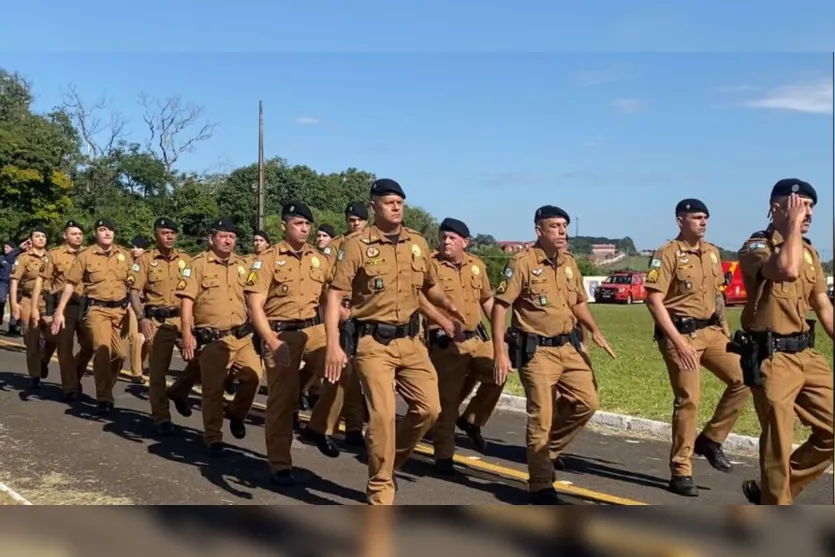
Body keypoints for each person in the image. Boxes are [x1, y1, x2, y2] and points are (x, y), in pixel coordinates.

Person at [324, 178, 465, 505]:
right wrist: (333, 343)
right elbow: (334, 295)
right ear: (373, 206)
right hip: (373, 343)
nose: (397, 206)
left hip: (412, 341)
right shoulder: (357, 245)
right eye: (389, 201)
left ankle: (389, 463)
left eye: (400, 201)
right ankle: (380, 492)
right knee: (383, 418)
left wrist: (448, 305)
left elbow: (429, 286)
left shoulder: (416, 242)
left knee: (430, 409)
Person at [491, 205, 615, 504]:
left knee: (587, 402)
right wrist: (500, 351)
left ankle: (547, 452)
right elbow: (500, 306)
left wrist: (594, 331)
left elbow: (577, 302)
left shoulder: (569, 262)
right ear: (539, 230)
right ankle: (541, 485)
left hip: (568, 347)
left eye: (564, 226)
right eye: (555, 226)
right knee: (541, 418)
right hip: (537, 352)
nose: (562, 232)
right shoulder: (521, 262)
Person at [644, 199, 750, 497]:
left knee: (745, 378)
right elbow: (653, 300)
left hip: (711, 332)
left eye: (706, 217)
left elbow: (717, 298)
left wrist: (726, 334)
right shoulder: (667, 254)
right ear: (681, 221)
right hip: (681, 334)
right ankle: (681, 470)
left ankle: (712, 439)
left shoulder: (713, 253)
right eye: (697, 218)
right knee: (688, 399)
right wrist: (678, 343)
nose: (703, 222)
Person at [736, 178, 833, 505]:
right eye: (800, 206)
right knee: (778, 441)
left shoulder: (809, 252)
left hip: (806, 353)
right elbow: (787, 270)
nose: (807, 214)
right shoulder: (755, 247)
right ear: (776, 208)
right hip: (772, 356)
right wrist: (791, 228)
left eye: (811, 207)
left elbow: (823, 305)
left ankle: (772, 494)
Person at [245, 202, 342, 485]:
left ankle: (318, 426)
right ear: (284, 226)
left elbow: (328, 299)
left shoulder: (320, 259)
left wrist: (335, 331)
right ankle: (279, 463)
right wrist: (272, 341)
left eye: (307, 224)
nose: (304, 228)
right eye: (298, 223)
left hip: (314, 330)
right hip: (279, 332)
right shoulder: (268, 260)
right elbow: (254, 305)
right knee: (282, 399)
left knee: (343, 370)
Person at [418, 217, 504, 475]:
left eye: (452, 238)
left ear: (464, 242)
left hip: (477, 339)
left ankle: (471, 421)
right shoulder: (430, 265)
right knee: (447, 401)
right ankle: (444, 457)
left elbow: (488, 300)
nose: (446, 241)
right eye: (443, 236)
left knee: (498, 371)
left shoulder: (476, 266)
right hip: (446, 343)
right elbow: (418, 298)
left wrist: (500, 334)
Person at [173, 219, 262, 456]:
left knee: (253, 376)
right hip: (213, 338)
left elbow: (253, 300)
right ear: (212, 238)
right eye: (223, 236)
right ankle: (213, 436)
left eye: (232, 236)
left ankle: (236, 413)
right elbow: (186, 302)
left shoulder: (243, 265)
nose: (228, 240)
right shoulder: (197, 265)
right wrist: (187, 333)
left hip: (242, 336)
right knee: (213, 390)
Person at [51, 219, 131, 415]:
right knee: (102, 351)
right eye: (103, 230)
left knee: (120, 354)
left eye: (110, 230)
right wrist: (59, 311)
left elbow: (133, 280)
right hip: (97, 310)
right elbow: (70, 284)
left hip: (120, 311)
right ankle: (104, 397)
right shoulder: (86, 256)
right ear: (96, 233)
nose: (107, 233)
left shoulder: (124, 255)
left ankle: (107, 386)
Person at [129, 218, 200, 436]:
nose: (169, 237)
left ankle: (179, 391)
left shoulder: (187, 260)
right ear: (155, 235)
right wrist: (141, 318)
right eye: (164, 233)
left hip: (183, 320)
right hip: (157, 322)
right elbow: (133, 291)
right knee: (158, 373)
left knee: (203, 360)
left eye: (172, 233)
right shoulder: (145, 261)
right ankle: (161, 416)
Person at [318, 201, 372, 446]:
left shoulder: (376, 242)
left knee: (366, 372)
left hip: (370, 315)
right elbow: (323, 280)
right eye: (350, 220)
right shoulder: (337, 246)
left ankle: (354, 422)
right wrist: (337, 309)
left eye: (358, 220)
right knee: (346, 372)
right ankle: (348, 426)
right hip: (345, 313)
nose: (354, 224)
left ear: (366, 220)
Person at [30, 220, 93, 400]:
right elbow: (41, 280)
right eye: (74, 233)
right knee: (65, 346)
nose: (78, 236)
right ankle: (70, 387)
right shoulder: (55, 254)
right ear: (65, 235)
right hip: (64, 306)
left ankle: (74, 374)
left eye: (80, 234)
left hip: (86, 305)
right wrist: (37, 308)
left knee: (90, 344)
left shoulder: (90, 254)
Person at [10, 228, 55, 388]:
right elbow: (14, 281)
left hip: (48, 300)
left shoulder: (52, 257)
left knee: (54, 335)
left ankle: (43, 360)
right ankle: (34, 376)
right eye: (37, 236)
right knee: (32, 338)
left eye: (44, 236)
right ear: (30, 240)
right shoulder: (23, 258)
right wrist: (14, 304)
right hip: (29, 300)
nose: (41, 239)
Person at [127, 236, 150, 381]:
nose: (135, 250)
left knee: (148, 339)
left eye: (138, 247)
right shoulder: (127, 262)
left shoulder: (151, 262)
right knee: (135, 337)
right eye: (133, 246)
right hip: (132, 303)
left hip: (148, 304)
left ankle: (140, 364)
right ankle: (136, 372)